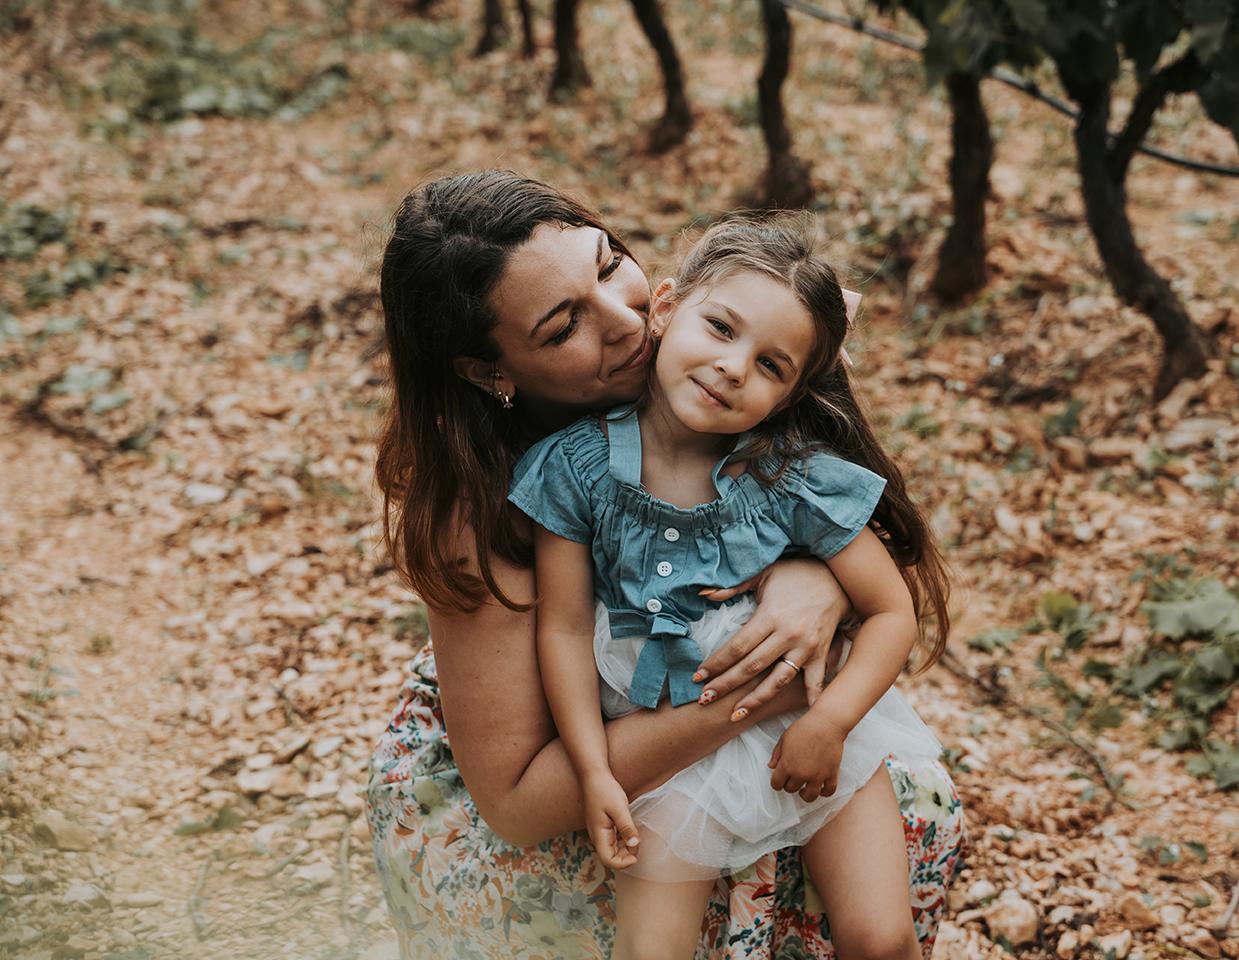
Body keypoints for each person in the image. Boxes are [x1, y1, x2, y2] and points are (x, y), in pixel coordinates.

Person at [365, 171, 967, 960]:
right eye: (561, 327)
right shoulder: (490, 503)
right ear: (488, 372)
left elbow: (861, 541)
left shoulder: (725, 348)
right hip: (581, 765)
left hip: (742, 720)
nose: (626, 322)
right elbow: (516, 799)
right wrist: (770, 693)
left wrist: (815, 579)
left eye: (610, 263)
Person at [510, 215, 953, 960]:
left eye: (772, 365)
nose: (733, 367)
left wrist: (832, 722)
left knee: (882, 939)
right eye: (720, 328)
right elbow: (560, 627)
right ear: (665, 307)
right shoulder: (577, 469)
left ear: (788, 395)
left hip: (806, 729)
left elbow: (889, 612)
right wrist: (594, 770)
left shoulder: (792, 476)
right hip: (667, 744)